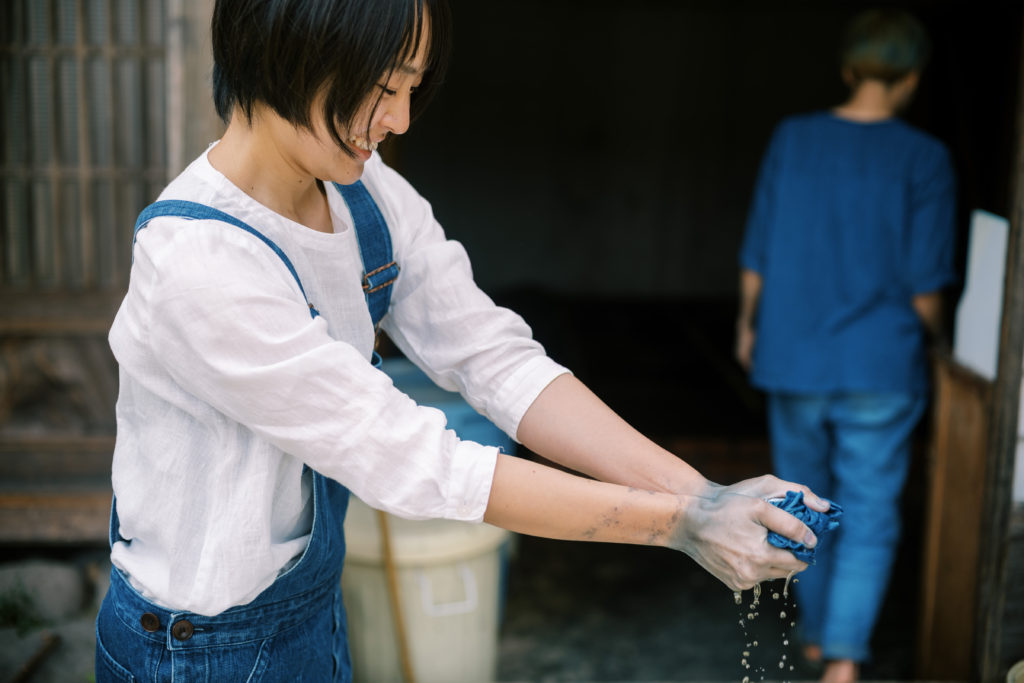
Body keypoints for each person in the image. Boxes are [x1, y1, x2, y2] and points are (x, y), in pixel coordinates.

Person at [95, 1, 828, 680]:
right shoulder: (201, 261)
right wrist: (681, 526)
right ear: (288, 53)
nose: (401, 119)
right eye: (382, 87)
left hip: (308, 614)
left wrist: (702, 492)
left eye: (412, 86)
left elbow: (493, 355)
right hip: (193, 650)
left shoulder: (362, 191)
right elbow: (418, 460)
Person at [735, 8, 956, 683]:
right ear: (913, 77)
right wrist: (944, 343)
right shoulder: (924, 157)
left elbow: (760, 248)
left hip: (793, 353)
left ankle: (815, 633)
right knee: (869, 510)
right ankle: (845, 657)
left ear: (847, 67)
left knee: (802, 501)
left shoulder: (793, 139)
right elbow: (924, 284)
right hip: (880, 365)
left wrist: (748, 324)